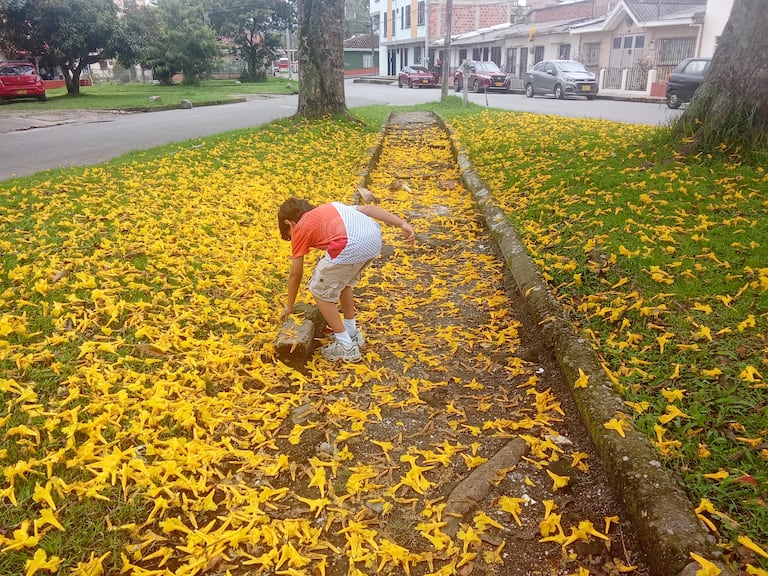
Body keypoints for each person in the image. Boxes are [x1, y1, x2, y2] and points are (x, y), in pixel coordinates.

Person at [278, 198, 416, 363]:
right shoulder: (332, 207)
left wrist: (290, 305)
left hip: (351, 245)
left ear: (289, 223)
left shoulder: (300, 227)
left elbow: (295, 274)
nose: (293, 238)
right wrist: (402, 224)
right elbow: (369, 209)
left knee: (319, 290)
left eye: (289, 235)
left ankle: (345, 345)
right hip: (373, 238)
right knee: (343, 282)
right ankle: (351, 332)